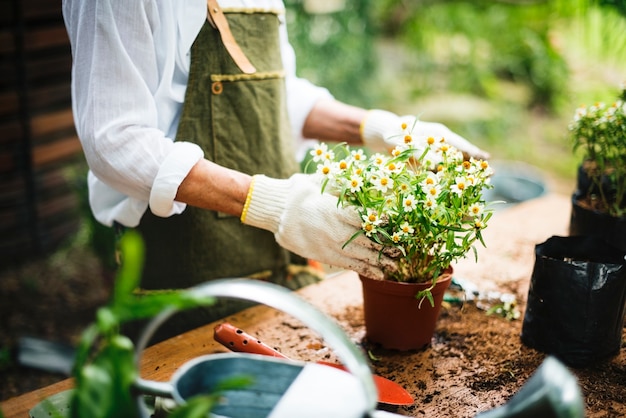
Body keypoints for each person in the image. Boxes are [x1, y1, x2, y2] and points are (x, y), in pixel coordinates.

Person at [62, 0, 488, 336]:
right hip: (186, 274)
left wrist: (382, 129)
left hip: (278, 270)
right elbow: (114, 139)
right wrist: (275, 204)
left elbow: (276, 94)